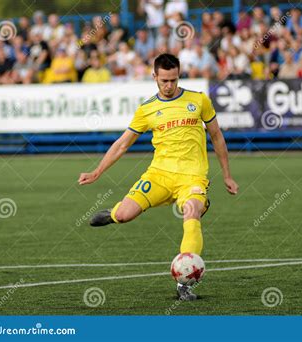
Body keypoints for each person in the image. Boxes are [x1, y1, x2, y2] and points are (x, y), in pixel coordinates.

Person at [78, 54, 239, 301]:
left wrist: (227, 175)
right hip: (159, 174)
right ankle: (113, 214)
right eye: (164, 80)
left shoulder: (198, 101)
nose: (169, 85)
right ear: (154, 77)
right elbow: (122, 144)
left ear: (179, 76)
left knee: (192, 211)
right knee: (124, 215)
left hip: (192, 177)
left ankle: (185, 283)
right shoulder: (147, 109)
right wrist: (97, 171)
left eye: (173, 79)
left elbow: (217, 136)